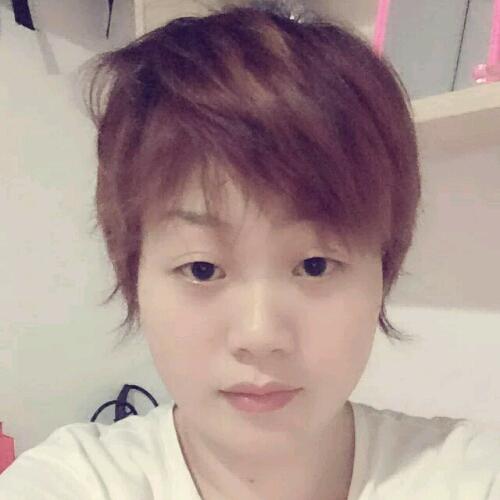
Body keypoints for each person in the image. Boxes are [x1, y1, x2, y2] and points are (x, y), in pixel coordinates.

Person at [1, 1, 499, 499]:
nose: (260, 336)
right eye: (201, 268)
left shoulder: (466, 475)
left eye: (315, 265)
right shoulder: (75, 481)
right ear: (133, 274)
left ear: (383, 269)